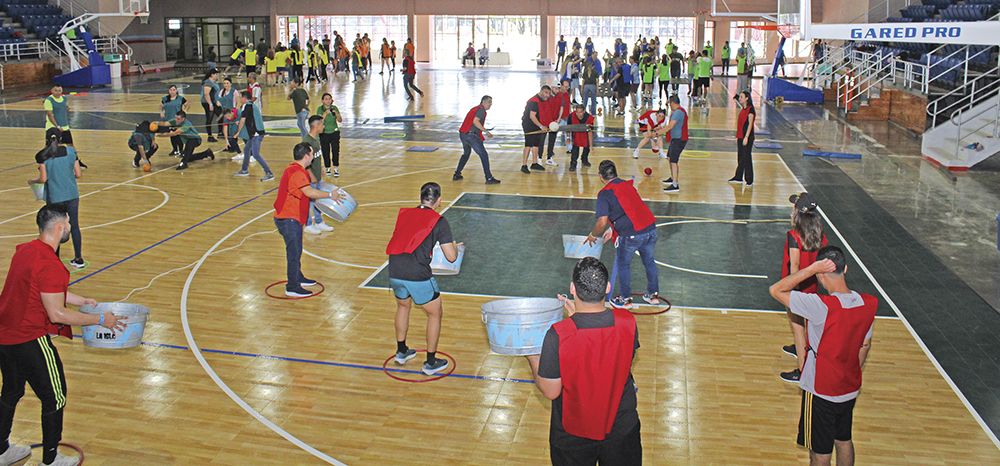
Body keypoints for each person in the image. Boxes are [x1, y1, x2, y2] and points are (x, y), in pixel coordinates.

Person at [0, 204, 126, 466]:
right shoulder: (50, 264)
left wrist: (82, 301)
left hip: (4, 335)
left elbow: (45, 288)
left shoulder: (26, 250)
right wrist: (100, 319)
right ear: (60, 227)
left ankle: (1, 451)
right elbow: (56, 314)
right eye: (68, 223)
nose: (70, 226)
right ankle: (51, 459)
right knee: (55, 396)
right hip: (29, 338)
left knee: (11, 391)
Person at [524, 256, 641, 466]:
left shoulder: (558, 335)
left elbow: (551, 391)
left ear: (572, 288)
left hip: (573, 435)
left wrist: (532, 357)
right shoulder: (628, 322)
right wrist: (578, 320)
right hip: (621, 428)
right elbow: (608, 353)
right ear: (607, 288)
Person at [768, 246, 876, 466]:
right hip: (849, 387)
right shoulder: (867, 303)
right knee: (843, 439)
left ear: (820, 275)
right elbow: (864, 346)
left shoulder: (820, 306)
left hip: (821, 390)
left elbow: (776, 290)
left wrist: (810, 269)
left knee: (820, 453)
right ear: (845, 269)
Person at [385, 182, 459, 376]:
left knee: (403, 306)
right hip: (417, 273)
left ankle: (401, 352)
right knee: (435, 313)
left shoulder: (404, 214)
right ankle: (431, 362)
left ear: (420, 197)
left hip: (394, 269)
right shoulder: (440, 221)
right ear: (439, 201)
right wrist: (455, 247)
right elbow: (451, 256)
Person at [586, 160, 659, 310]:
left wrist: (593, 235)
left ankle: (626, 299)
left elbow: (601, 223)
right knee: (649, 262)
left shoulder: (604, 194)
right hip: (650, 229)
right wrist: (613, 229)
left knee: (623, 265)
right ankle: (653, 295)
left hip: (631, 234)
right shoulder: (627, 185)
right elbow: (630, 208)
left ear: (601, 176)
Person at [274, 143, 343, 297]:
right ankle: (292, 287)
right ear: (306, 156)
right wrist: (330, 195)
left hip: (290, 218)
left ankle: (298, 277)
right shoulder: (298, 173)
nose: (313, 156)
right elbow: (310, 192)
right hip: (289, 219)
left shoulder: (294, 169)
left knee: (296, 251)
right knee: (294, 253)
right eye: (312, 154)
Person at [778, 193, 828, 383]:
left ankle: (802, 371)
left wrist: (792, 291)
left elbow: (795, 266)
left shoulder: (794, 236)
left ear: (797, 212)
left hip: (795, 288)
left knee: (798, 327)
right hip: (811, 287)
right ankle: (801, 348)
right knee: (807, 324)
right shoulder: (820, 235)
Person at [27, 128, 84, 268]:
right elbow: (78, 174)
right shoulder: (71, 152)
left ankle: (55, 260)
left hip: (55, 196)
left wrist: (32, 181)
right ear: (61, 139)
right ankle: (78, 259)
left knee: (55, 228)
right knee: (74, 226)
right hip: (72, 194)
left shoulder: (43, 156)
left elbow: (43, 179)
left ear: (47, 139)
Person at [300, 115, 335, 235]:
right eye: (322, 124)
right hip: (310, 178)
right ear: (316, 126)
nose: (323, 126)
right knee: (309, 202)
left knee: (317, 200)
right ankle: (308, 224)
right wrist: (311, 175)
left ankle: (319, 222)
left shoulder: (316, 139)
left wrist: (320, 169)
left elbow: (316, 157)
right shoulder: (307, 141)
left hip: (317, 175)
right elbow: (305, 161)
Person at [454, 96, 500, 185]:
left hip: (463, 134)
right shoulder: (481, 110)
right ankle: (489, 178)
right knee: (484, 155)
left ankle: (457, 174)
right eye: (489, 102)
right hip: (471, 136)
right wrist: (486, 131)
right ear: (483, 101)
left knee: (466, 154)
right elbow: (475, 121)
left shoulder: (475, 109)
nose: (490, 104)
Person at [230, 91, 274, 182]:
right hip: (255, 134)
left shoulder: (247, 106)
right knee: (246, 149)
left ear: (244, 98)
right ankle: (244, 170)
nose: (240, 100)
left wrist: (238, 132)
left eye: (241, 98)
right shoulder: (252, 106)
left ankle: (269, 173)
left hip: (256, 134)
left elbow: (243, 120)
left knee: (256, 154)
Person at [43, 85, 83, 169]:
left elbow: (63, 107)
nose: (58, 92)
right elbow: (50, 115)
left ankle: (76, 161)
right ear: (52, 91)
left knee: (70, 145)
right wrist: (57, 126)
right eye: (56, 90)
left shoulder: (64, 98)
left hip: (65, 126)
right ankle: (43, 163)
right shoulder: (48, 101)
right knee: (50, 146)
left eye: (59, 90)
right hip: (53, 128)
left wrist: (66, 108)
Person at [520, 85, 551, 174]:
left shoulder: (542, 100)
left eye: (549, 93)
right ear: (541, 91)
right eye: (546, 93)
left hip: (536, 124)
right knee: (528, 144)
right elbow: (532, 116)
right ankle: (524, 165)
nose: (547, 95)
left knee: (536, 144)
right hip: (529, 125)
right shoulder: (534, 101)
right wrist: (541, 126)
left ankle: (534, 163)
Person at [661, 96, 688, 193]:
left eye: (670, 104)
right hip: (675, 139)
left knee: (673, 161)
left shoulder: (678, 112)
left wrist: (657, 133)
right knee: (669, 157)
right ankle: (673, 177)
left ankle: (675, 184)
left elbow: (670, 126)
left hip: (678, 140)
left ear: (672, 103)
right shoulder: (680, 111)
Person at [730, 90, 756, 186]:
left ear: (747, 98)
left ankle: (749, 179)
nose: (740, 99)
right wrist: (739, 137)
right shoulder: (743, 109)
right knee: (740, 157)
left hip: (747, 137)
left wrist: (746, 137)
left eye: (742, 97)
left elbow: (750, 124)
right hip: (741, 136)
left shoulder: (750, 110)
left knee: (747, 157)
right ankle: (738, 176)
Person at [544, 79, 571, 166]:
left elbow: (562, 107)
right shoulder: (547, 97)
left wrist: (558, 118)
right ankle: (539, 158)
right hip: (548, 121)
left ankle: (549, 157)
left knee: (553, 138)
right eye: (556, 88)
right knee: (542, 138)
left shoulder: (562, 95)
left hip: (558, 120)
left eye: (558, 89)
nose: (557, 90)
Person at [316, 93, 342, 177]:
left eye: (329, 99)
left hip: (334, 132)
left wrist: (336, 114)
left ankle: (336, 167)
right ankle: (328, 167)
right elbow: (319, 121)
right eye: (326, 99)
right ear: (322, 101)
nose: (328, 101)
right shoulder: (320, 109)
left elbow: (340, 120)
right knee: (325, 150)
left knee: (335, 150)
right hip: (324, 133)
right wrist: (325, 114)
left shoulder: (334, 108)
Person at [159, 85, 189, 156]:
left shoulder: (180, 98)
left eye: (173, 90)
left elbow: (187, 104)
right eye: (170, 90)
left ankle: (181, 150)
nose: (172, 91)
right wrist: (161, 112)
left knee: (179, 135)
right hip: (169, 120)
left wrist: (185, 111)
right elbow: (160, 105)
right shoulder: (165, 99)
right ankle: (175, 149)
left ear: (176, 91)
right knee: (172, 135)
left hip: (178, 120)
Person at [567, 104, 595, 171]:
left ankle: (584, 159)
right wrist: (568, 137)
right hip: (576, 133)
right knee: (575, 148)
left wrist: (591, 145)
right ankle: (573, 163)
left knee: (587, 146)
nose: (578, 114)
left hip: (585, 134)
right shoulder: (571, 116)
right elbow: (568, 128)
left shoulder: (589, 118)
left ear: (584, 111)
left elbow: (590, 132)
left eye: (580, 112)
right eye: (577, 112)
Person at [200, 69, 221, 143]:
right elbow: (206, 94)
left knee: (221, 115)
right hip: (207, 103)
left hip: (213, 102)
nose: (217, 75)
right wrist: (210, 104)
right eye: (216, 74)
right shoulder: (208, 83)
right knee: (209, 118)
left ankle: (220, 133)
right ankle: (210, 136)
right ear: (212, 75)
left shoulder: (213, 82)